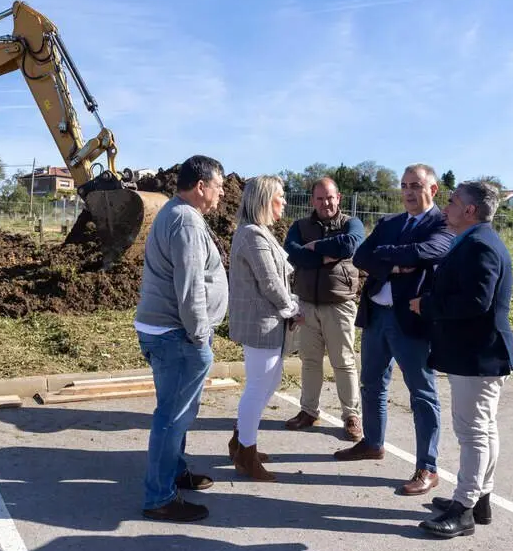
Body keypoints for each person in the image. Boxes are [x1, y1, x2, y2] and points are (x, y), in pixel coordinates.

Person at [407, 181, 513, 538]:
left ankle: (464, 508)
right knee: (483, 428)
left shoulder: (480, 245)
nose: (446, 206)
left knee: (473, 432)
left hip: (478, 355)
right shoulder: (474, 241)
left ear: (470, 210)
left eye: (453, 201)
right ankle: (479, 497)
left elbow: (475, 302)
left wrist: (426, 306)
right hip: (477, 354)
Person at [334, 163, 452, 497]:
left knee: (422, 393)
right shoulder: (389, 222)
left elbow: (429, 251)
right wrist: (399, 263)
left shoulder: (443, 223)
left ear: (433, 189)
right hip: (377, 316)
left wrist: (386, 258)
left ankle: (427, 466)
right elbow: (361, 256)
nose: (409, 192)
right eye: (404, 185)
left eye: (415, 185)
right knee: (372, 383)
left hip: (411, 319)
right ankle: (372, 443)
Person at [134, 155, 229, 523]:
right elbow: (189, 289)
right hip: (178, 336)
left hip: (169, 333)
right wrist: (201, 336)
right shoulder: (186, 221)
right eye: (218, 186)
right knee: (172, 417)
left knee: (176, 412)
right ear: (201, 186)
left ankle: (174, 473)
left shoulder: (176, 213)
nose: (222, 193)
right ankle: (159, 497)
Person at [227, 175, 301, 482]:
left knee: (267, 385)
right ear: (263, 200)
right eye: (279, 196)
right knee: (258, 388)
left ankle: (240, 442)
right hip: (262, 323)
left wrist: (290, 307)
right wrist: (294, 308)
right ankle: (246, 454)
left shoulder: (260, 233)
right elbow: (270, 282)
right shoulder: (253, 236)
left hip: (271, 323)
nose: (284, 201)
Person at [282, 177, 365, 441]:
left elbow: (350, 245)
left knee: (344, 362)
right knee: (310, 361)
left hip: (339, 305)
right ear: (312, 201)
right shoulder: (300, 226)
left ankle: (351, 416)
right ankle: (308, 410)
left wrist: (314, 248)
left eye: (329, 197)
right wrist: (326, 256)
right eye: (319, 198)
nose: (325, 203)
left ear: (338, 197)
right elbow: (293, 252)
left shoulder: (351, 224)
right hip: (306, 304)